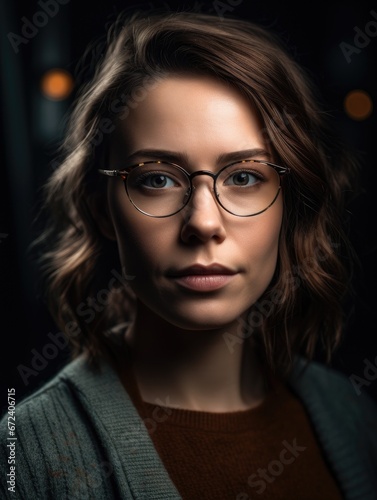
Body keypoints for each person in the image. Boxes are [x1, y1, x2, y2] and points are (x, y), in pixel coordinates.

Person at [1, 7, 377, 500]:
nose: (203, 223)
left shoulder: (353, 417)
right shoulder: (23, 456)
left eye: (244, 177)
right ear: (100, 210)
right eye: (157, 179)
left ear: (291, 203)